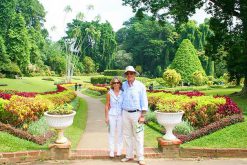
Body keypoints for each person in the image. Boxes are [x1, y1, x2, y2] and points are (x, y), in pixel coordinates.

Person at [121, 66, 148, 165]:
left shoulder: (140, 86)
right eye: (127, 74)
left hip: (137, 114)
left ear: (134, 74)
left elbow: (144, 101)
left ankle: (140, 157)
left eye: (131, 73)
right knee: (127, 135)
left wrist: (142, 116)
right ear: (126, 75)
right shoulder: (123, 85)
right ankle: (129, 155)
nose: (129, 75)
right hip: (125, 113)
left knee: (139, 136)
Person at [104, 77, 123, 158]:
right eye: (114, 83)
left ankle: (119, 150)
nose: (116, 84)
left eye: (117, 82)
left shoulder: (123, 93)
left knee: (120, 133)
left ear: (120, 84)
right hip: (112, 115)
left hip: (121, 115)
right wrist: (106, 117)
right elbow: (107, 105)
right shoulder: (109, 93)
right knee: (111, 133)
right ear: (112, 84)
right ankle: (111, 151)